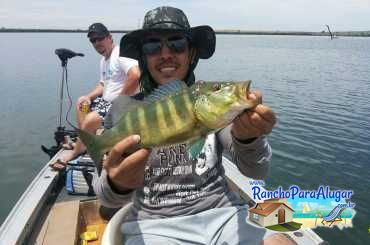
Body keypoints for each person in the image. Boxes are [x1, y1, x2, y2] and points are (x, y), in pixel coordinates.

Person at [94, 7, 292, 245]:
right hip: (155, 227)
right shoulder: (122, 109)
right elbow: (106, 198)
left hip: (225, 214)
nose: (166, 53)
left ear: (191, 53)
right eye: (152, 46)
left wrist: (249, 139)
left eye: (176, 43)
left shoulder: (214, 108)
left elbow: (256, 172)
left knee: (280, 241)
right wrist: (118, 183)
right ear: (144, 57)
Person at [51, 23, 141, 170]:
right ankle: (87, 143)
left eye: (100, 38)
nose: (97, 43)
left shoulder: (120, 53)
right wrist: (88, 97)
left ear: (110, 38)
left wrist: (120, 101)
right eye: (93, 40)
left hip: (124, 104)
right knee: (82, 103)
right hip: (106, 103)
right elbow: (103, 84)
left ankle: (75, 152)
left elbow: (135, 75)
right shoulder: (104, 60)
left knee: (91, 119)